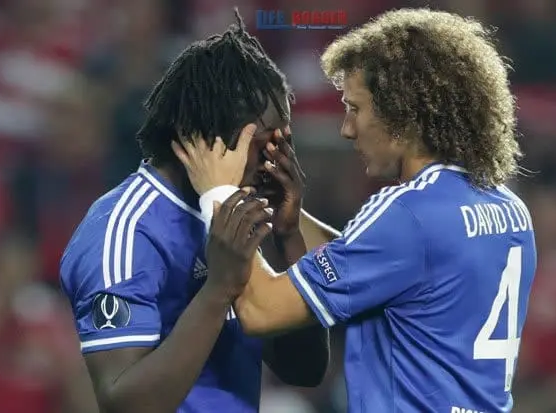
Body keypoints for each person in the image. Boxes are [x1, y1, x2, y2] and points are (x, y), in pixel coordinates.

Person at [179, 8, 537, 413]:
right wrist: (293, 225)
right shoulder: (509, 208)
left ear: (402, 112)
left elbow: (263, 311)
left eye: (356, 108)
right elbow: (388, 265)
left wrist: (219, 191)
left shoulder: (407, 212)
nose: (347, 128)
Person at [59, 13, 339, 413]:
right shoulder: (124, 231)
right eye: (265, 144)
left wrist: (288, 236)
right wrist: (219, 288)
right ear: (209, 137)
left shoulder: (228, 208)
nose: (278, 160)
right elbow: (124, 404)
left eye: (284, 143)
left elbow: (303, 368)